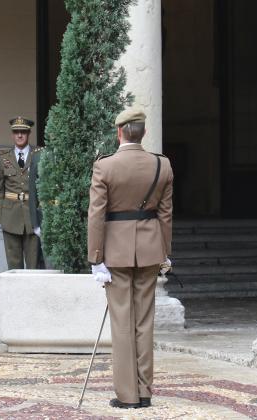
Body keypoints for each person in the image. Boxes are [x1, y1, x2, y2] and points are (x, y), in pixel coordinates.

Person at [87, 108, 173, 409]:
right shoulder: (161, 164)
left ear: (119, 132)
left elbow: (96, 215)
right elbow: (165, 215)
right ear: (144, 133)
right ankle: (144, 390)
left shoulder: (105, 166)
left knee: (122, 322)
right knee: (144, 321)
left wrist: (95, 257)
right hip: (150, 248)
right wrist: (164, 253)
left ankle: (128, 395)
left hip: (116, 251)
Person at [0, 117, 42, 269]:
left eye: (23, 132)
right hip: (10, 217)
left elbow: (44, 189)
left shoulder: (39, 155)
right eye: (16, 132)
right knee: (13, 266)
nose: (19, 135)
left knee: (34, 265)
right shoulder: (3, 158)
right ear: (12, 134)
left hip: (32, 217)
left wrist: (42, 216)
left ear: (29, 133)